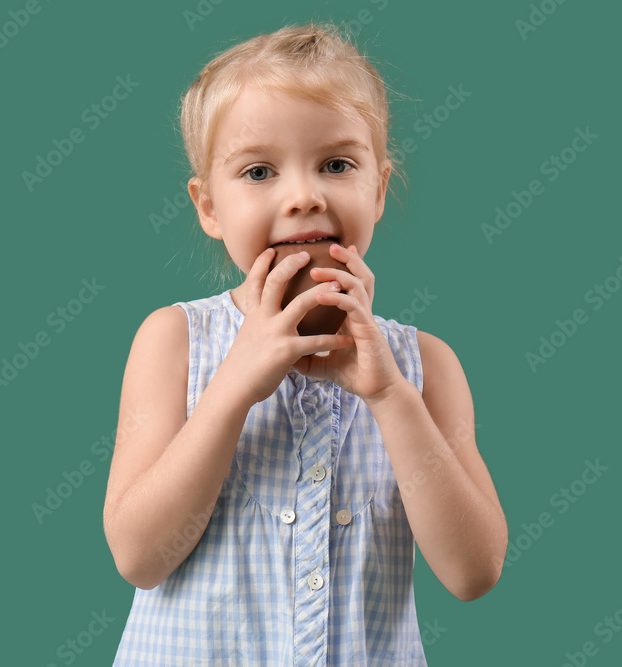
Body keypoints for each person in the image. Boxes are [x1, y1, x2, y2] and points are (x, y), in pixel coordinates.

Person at [102, 23, 508, 666]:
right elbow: (138, 556)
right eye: (259, 171)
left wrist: (390, 396)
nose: (304, 196)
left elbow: (474, 571)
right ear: (209, 207)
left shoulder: (425, 366)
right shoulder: (175, 340)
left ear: (377, 188)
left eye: (337, 164)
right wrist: (234, 385)